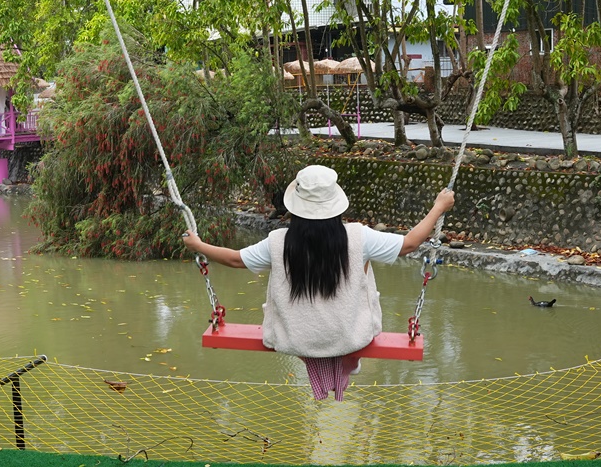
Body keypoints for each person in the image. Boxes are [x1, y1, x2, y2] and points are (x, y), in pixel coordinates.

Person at [182, 164, 455, 401]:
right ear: (336, 203)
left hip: (293, 337)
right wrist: (438, 207)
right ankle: (346, 357)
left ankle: (329, 353)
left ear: (295, 206)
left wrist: (199, 244)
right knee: (361, 262)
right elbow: (409, 244)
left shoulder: (278, 242)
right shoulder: (359, 237)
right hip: (351, 334)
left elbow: (235, 260)